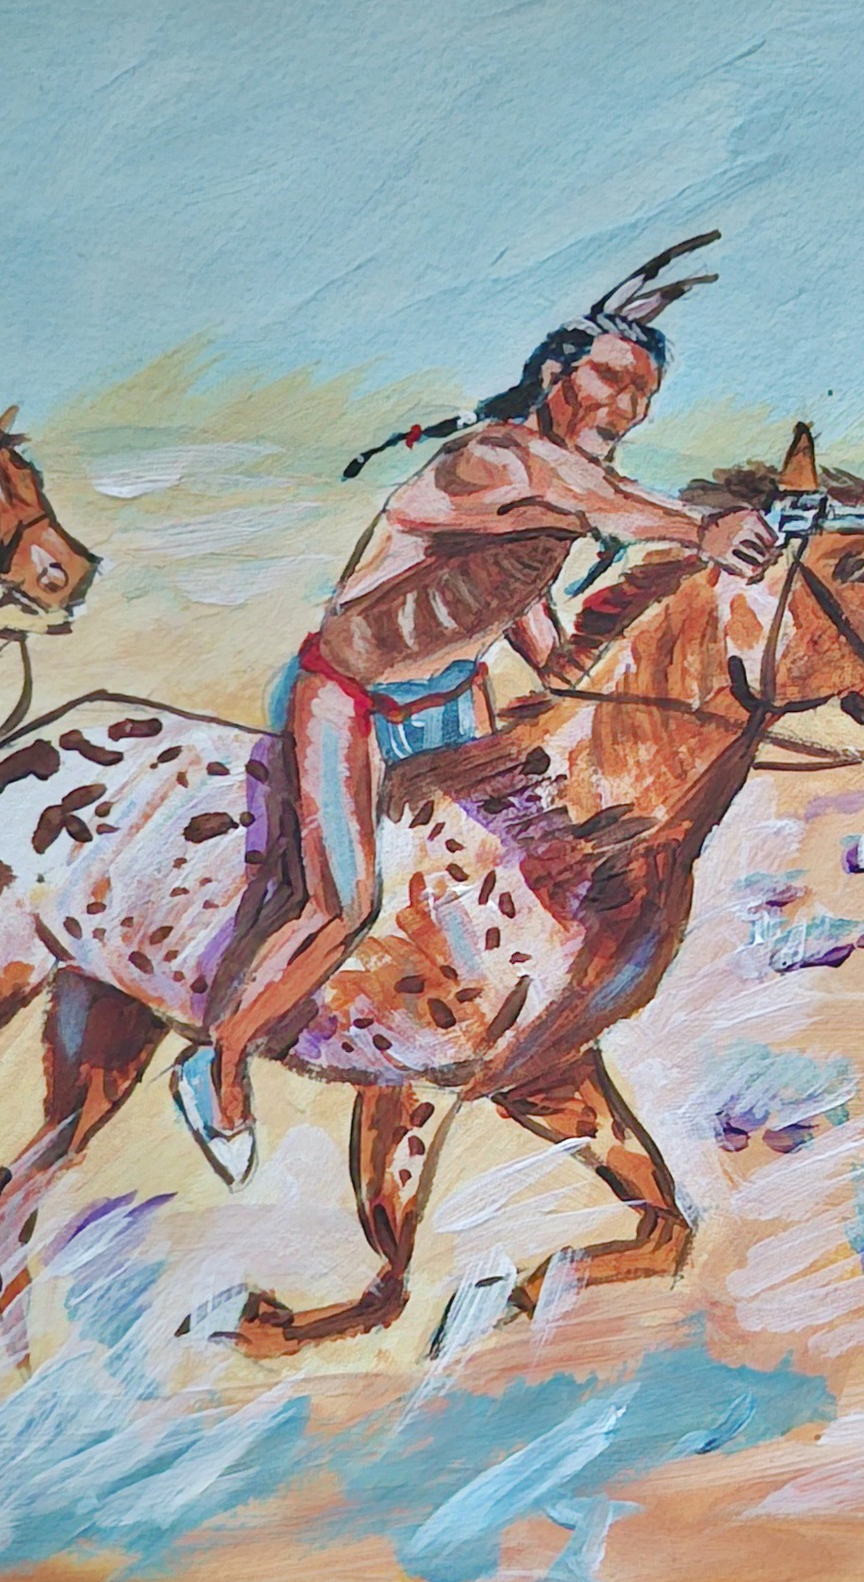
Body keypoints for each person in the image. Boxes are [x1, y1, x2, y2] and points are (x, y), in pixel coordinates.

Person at [171, 236, 781, 1186]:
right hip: (352, 700)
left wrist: (567, 663)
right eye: (610, 379)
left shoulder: (556, 487)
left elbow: (515, 587)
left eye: (642, 395)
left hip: (454, 702)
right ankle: (218, 1061)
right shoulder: (497, 458)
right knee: (341, 902)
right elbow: (595, 500)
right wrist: (701, 530)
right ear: (555, 374)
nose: (624, 407)